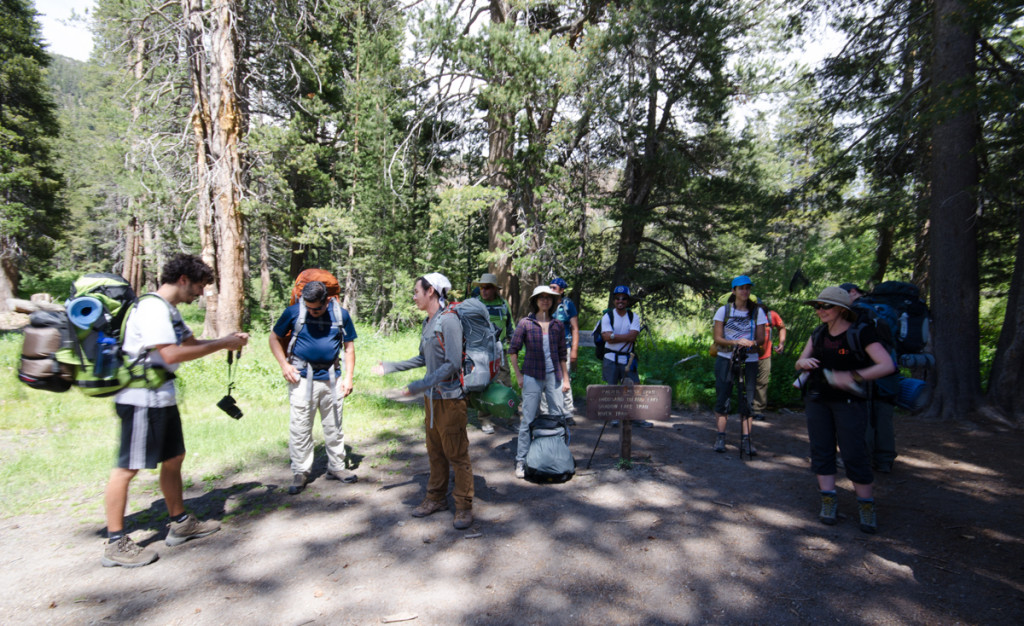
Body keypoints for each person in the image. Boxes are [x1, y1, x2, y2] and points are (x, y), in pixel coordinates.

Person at [102, 254, 249, 568]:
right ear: (183, 279)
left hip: (162, 398)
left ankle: (180, 523)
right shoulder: (152, 308)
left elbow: (192, 343)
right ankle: (116, 543)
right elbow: (170, 355)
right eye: (198, 287)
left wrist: (227, 341)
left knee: (173, 458)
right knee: (127, 469)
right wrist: (222, 344)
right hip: (141, 399)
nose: (199, 294)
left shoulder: (169, 311)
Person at [373, 273, 474, 530]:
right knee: (435, 452)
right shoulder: (428, 323)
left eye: (417, 291)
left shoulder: (449, 320)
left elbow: (453, 363)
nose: (414, 296)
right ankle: (436, 498)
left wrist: (419, 385)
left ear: (431, 292)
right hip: (432, 400)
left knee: (457, 454)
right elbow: (422, 359)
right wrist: (392, 367)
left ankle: (463, 506)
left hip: (450, 400)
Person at [795, 286, 896, 534]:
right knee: (821, 450)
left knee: (854, 452)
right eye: (817, 306)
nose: (820, 310)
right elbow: (799, 361)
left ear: (841, 309)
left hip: (850, 403)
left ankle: (866, 506)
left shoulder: (861, 333)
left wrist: (852, 376)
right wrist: (803, 362)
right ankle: (828, 501)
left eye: (825, 306)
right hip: (817, 400)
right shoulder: (818, 334)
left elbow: (886, 365)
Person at [270, 280, 358, 495]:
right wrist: (284, 365)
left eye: (316, 308)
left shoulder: (341, 315)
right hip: (300, 379)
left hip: (332, 377)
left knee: (334, 425)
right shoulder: (293, 312)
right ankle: (300, 471)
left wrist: (349, 377)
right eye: (308, 307)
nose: (313, 312)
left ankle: (336, 467)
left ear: (327, 300)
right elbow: (274, 337)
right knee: (300, 426)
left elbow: (349, 347)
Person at [508, 285, 570, 479]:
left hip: (554, 376)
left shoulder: (557, 325)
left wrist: (566, 379)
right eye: (541, 297)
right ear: (535, 300)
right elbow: (513, 350)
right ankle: (521, 460)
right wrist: (518, 375)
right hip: (532, 376)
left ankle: (561, 457)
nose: (545, 300)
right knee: (527, 419)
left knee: (558, 417)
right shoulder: (525, 323)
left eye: (549, 298)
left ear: (552, 301)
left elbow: (562, 355)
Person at [840, 282, 897, 473]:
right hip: (889, 371)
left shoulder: (858, 312)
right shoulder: (884, 310)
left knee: (862, 416)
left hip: (867, 371)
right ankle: (885, 460)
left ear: (853, 292)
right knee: (883, 416)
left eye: (842, 294)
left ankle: (862, 458)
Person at [711, 275, 766, 455]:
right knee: (722, 397)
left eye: (748, 288)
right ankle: (720, 437)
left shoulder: (757, 312)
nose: (745, 291)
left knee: (748, 400)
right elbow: (717, 337)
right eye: (741, 288)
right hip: (725, 358)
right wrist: (736, 343)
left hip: (749, 360)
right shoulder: (723, 311)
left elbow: (761, 338)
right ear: (733, 291)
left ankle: (747, 439)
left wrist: (751, 343)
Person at [473, 273, 513, 434]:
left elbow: (510, 324)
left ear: (495, 289)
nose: (484, 290)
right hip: (481, 350)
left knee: (505, 382)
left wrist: (512, 340)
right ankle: (485, 419)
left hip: (500, 349)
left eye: (488, 287)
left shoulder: (503, 304)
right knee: (484, 383)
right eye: (482, 287)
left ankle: (507, 414)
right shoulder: (475, 304)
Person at [540, 277, 578, 422]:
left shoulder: (568, 305)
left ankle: (567, 412)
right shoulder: (545, 304)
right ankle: (546, 411)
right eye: (550, 287)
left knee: (564, 379)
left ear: (562, 290)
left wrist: (574, 350)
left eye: (554, 288)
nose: (551, 290)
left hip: (564, 348)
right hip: (545, 348)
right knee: (544, 379)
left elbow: (574, 328)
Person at [751, 301, 787, 421]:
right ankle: (745, 407)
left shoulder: (772, 316)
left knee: (762, 381)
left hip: (765, 355)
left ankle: (757, 410)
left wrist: (781, 343)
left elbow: (782, 327)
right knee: (747, 381)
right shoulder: (747, 314)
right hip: (747, 355)